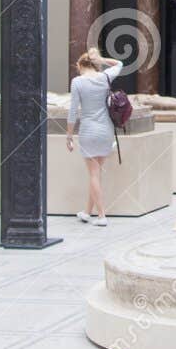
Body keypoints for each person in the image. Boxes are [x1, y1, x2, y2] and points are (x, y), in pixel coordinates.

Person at [65, 47, 122, 225]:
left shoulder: (77, 82)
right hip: (106, 130)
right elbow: (120, 63)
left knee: (93, 174)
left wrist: (69, 135)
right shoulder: (104, 77)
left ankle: (101, 216)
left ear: (81, 64)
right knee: (95, 174)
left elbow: (73, 111)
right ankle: (87, 212)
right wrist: (102, 59)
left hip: (88, 131)